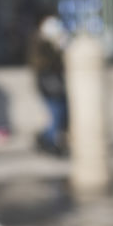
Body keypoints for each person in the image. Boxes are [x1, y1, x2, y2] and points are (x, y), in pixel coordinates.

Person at [27, 13, 70, 157]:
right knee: (57, 115)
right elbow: (42, 65)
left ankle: (50, 141)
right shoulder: (41, 45)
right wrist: (55, 49)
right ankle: (46, 140)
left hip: (56, 85)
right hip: (49, 86)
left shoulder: (51, 44)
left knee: (62, 116)